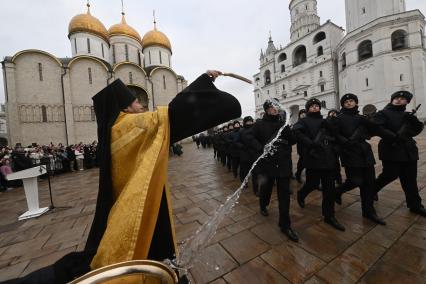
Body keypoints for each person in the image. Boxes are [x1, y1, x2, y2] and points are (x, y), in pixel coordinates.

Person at [6, 70, 241, 283]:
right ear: (125, 107)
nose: (140, 105)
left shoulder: (114, 129)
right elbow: (172, 115)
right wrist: (203, 81)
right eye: (136, 101)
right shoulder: (128, 125)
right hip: (139, 198)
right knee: (147, 242)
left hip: (127, 196)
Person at [246, 99, 299, 242]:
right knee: (266, 188)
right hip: (267, 164)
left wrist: (286, 127)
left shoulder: (283, 124)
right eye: (271, 107)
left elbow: (293, 140)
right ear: (266, 110)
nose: (275, 109)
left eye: (276, 106)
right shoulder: (259, 124)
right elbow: (248, 137)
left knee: (284, 195)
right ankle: (263, 205)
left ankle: (285, 225)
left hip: (283, 164)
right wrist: (261, 148)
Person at [293, 98, 345, 231]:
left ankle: (329, 216)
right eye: (312, 106)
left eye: (317, 106)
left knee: (329, 189)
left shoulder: (324, 121)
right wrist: (310, 143)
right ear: (308, 108)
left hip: (327, 159)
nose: (315, 108)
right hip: (313, 159)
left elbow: (334, 134)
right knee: (313, 184)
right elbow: (297, 132)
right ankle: (301, 194)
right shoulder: (303, 121)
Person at [333, 94, 386, 225]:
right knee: (355, 181)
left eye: (351, 101)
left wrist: (372, 121)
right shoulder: (339, 119)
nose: (349, 103)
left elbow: (373, 131)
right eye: (346, 102)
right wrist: (346, 143)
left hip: (365, 153)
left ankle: (368, 211)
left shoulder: (361, 118)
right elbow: (335, 134)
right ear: (343, 104)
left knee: (369, 183)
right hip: (350, 152)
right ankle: (337, 191)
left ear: (356, 103)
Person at [373, 91, 426, 217]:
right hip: (391, 149)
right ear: (392, 100)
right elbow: (378, 128)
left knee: (410, 180)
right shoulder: (382, 113)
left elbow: (415, 130)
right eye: (396, 98)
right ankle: (371, 190)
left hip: (408, 151)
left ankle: (415, 205)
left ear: (407, 102)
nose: (398, 100)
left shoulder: (408, 115)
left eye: (402, 99)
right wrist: (394, 136)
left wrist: (414, 122)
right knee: (389, 175)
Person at [236, 116, 259, 195]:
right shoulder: (241, 131)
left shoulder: (255, 130)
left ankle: (256, 190)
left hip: (254, 154)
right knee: (244, 171)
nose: (249, 123)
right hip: (245, 154)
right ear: (244, 122)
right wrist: (242, 146)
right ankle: (244, 182)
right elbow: (237, 141)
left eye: (250, 121)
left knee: (255, 172)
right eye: (248, 122)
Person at [294, 109, 306, 183]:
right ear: (299, 115)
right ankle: (298, 173)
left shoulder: (308, 122)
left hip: (309, 145)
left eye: (304, 113)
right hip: (301, 146)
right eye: (301, 113)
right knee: (302, 161)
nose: (303, 115)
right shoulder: (297, 124)